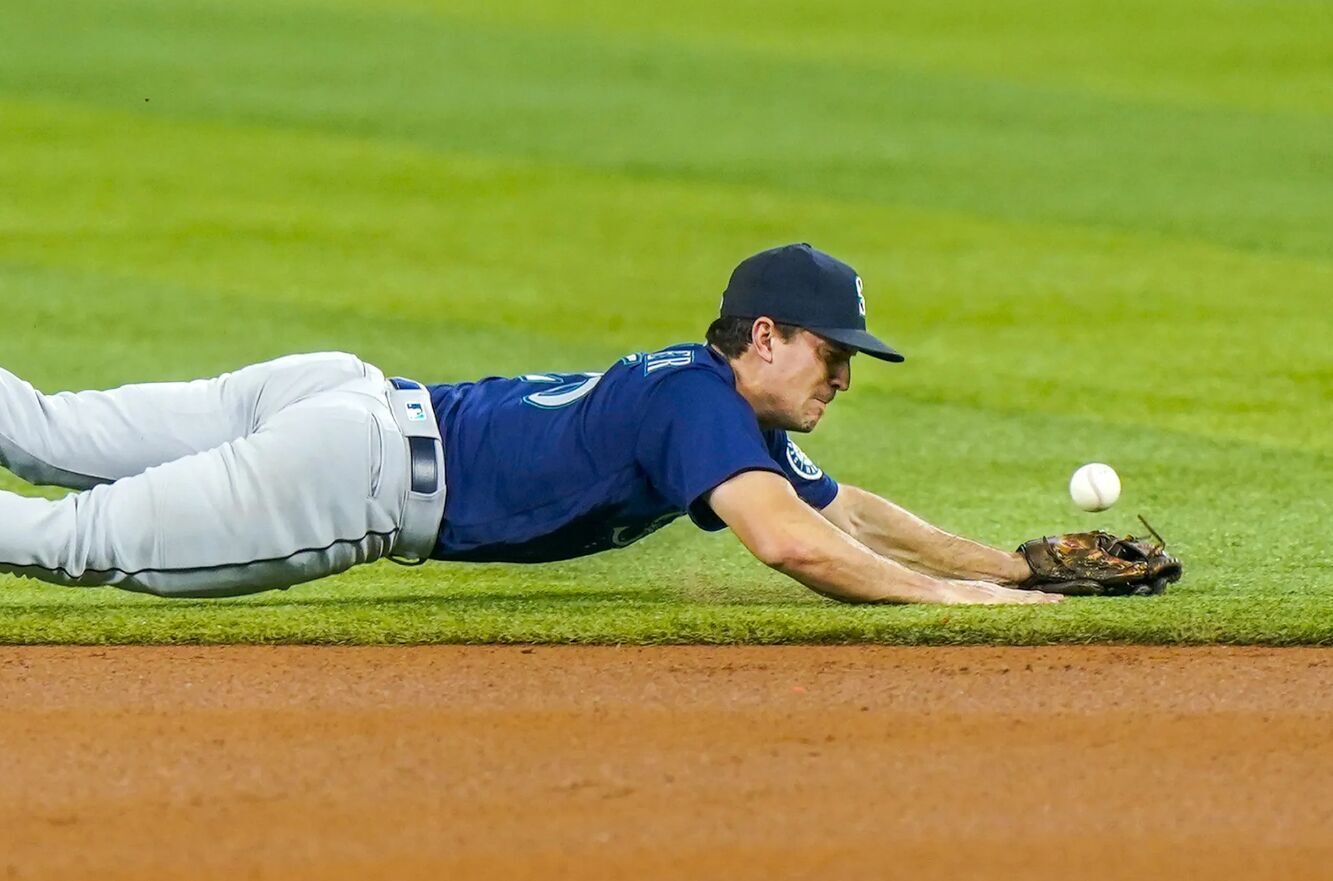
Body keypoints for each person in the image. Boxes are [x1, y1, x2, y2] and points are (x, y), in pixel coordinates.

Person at [0, 243, 1064, 605]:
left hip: (338, 395)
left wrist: (1015, 568)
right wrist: (954, 600)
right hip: (347, 473)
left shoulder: (701, 393)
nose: (842, 377)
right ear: (766, 336)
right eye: (832, 354)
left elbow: (850, 515)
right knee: (67, 541)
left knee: (39, 426)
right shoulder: (699, 407)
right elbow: (790, 542)